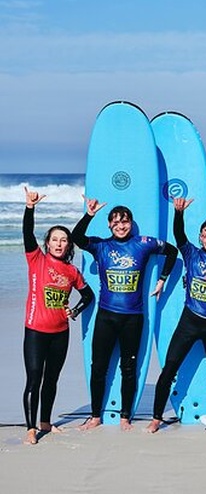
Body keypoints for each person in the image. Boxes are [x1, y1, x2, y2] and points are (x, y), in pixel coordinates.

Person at [72, 197, 178, 430]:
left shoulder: (143, 243)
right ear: (109, 225)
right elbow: (76, 238)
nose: (121, 226)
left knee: (129, 368)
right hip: (106, 317)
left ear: (131, 224)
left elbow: (172, 251)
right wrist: (89, 215)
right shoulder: (101, 246)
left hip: (133, 318)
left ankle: (125, 416)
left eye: (125, 221)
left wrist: (162, 280)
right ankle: (95, 416)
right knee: (98, 367)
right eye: (117, 222)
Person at [147, 198, 206, 433]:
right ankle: (156, 417)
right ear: (201, 238)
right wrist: (178, 213)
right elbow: (178, 235)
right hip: (189, 321)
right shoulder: (191, 253)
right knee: (170, 368)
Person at [20, 187, 94, 444]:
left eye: (64, 240)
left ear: (68, 244)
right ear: (47, 243)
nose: (60, 243)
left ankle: (45, 422)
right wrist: (30, 207)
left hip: (60, 333)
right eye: (55, 239)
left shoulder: (72, 271)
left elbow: (88, 296)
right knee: (34, 378)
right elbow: (27, 233)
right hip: (35, 331)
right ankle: (31, 428)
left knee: (51, 380)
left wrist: (74, 311)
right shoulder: (36, 260)